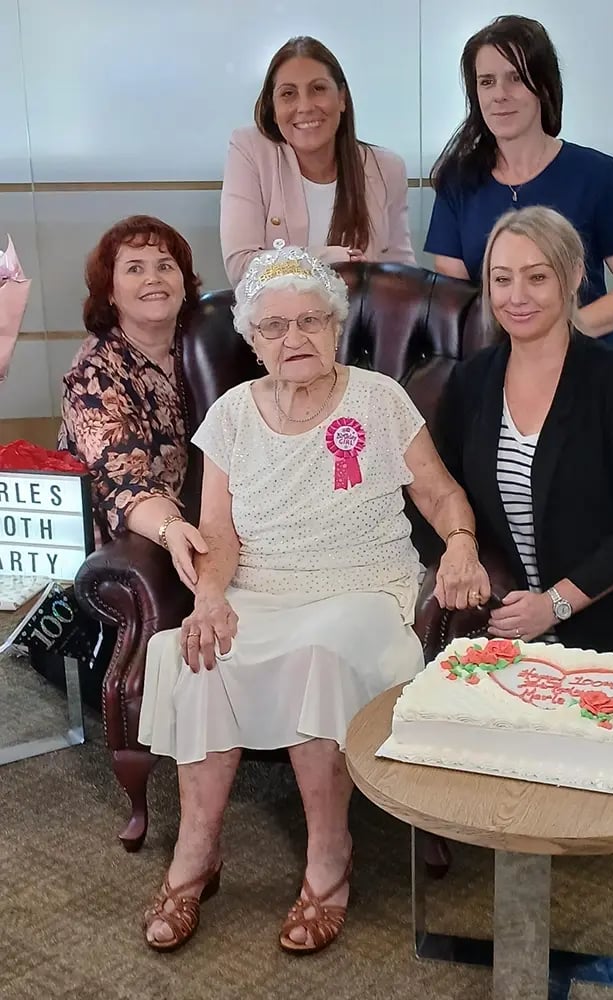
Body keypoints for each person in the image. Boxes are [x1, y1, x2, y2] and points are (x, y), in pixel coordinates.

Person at [138, 241, 491, 955]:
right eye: (274, 326)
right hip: (261, 587)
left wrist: (458, 542)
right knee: (198, 650)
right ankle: (195, 858)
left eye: (311, 321)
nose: (294, 337)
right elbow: (217, 530)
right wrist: (210, 596)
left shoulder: (378, 399)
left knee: (320, 653)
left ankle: (330, 859)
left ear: (336, 327)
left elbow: (440, 492)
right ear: (253, 340)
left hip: (363, 588)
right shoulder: (234, 412)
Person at [437, 206, 613, 661]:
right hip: (523, 627)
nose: (517, 296)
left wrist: (555, 604)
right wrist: (459, 546)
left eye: (537, 277)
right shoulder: (471, 383)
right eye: (502, 279)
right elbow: (441, 488)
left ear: (573, 276)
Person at [425, 15, 613, 354]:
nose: (500, 95)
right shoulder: (457, 181)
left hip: (590, 359)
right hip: (499, 365)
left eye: (515, 79)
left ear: (544, 85)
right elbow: (457, 300)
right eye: (487, 82)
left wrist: (564, 332)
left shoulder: (595, 173)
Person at [59, 215, 208, 590]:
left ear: (184, 283)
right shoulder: (95, 371)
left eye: (165, 266)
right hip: (121, 542)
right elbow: (123, 481)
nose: (153, 278)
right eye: (134, 268)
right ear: (110, 291)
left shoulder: (206, 344)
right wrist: (172, 527)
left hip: (203, 518)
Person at [221, 35, 416, 286]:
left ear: (342, 98)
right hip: (279, 323)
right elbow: (241, 267)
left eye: (318, 89)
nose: (305, 106)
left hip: (362, 321)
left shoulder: (387, 168)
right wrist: (327, 258)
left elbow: (402, 277)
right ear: (273, 105)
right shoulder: (250, 149)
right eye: (288, 93)